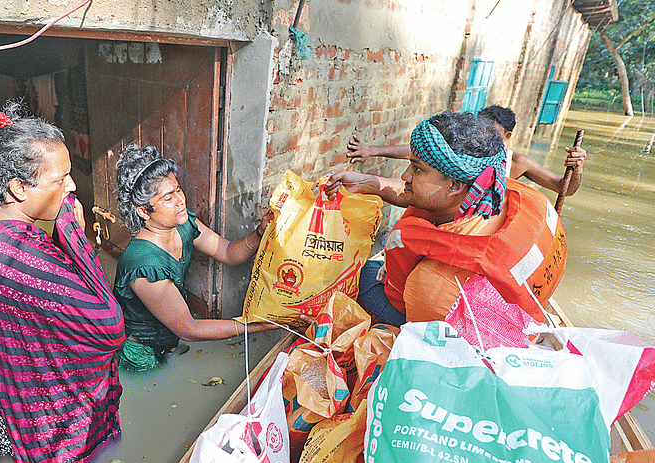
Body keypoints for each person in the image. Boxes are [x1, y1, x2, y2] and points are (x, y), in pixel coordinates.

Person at [0, 100, 127, 463]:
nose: (72, 187)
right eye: (61, 179)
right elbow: (109, 327)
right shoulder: (16, 254)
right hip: (44, 425)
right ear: (18, 188)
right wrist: (76, 238)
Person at [325, 111, 567, 325]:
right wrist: (368, 182)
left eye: (417, 168)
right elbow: (423, 195)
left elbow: (421, 329)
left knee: (363, 273)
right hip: (519, 305)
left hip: (440, 320)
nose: (405, 174)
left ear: (453, 185)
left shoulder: (432, 283)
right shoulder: (497, 191)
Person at [113, 143, 287, 371]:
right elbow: (190, 330)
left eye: (178, 189)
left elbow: (228, 252)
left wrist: (259, 233)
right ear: (144, 211)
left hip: (170, 338)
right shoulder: (143, 265)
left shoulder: (184, 226)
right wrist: (260, 325)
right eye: (168, 198)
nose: (180, 200)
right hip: (140, 353)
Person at [346, 105, 586, 196]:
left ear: (507, 137)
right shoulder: (462, 154)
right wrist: (372, 152)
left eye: (490, 133)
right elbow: (424, 156)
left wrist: (576, 170)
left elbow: (563, 188)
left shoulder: (519, 163)